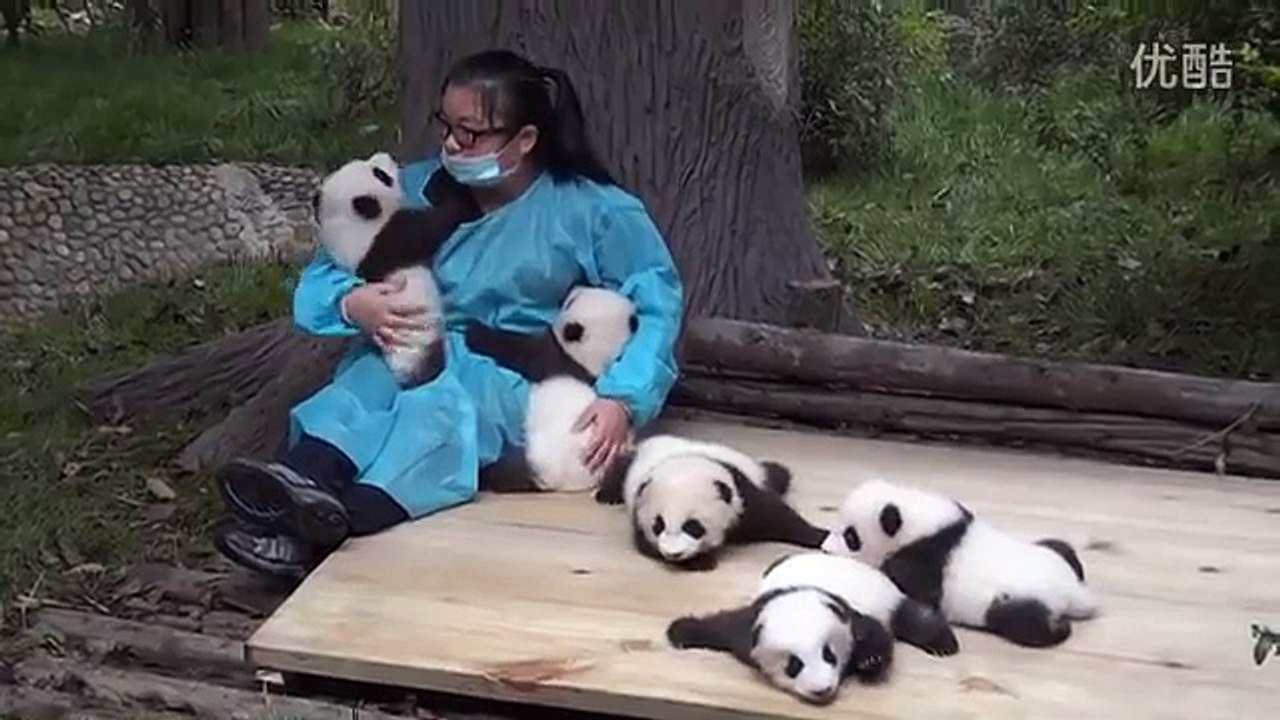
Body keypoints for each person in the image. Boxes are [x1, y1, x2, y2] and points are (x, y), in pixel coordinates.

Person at [211, 49, 684, 580]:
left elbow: (657, 299)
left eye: (471, 132)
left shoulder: (593, 210)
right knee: (363, 386)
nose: (452, 144)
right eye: (447, 126)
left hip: (507, 378)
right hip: (404, 350)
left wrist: (623, 396)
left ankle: (319, 527)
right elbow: (331, 265)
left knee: (431, 415)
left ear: (525, 140)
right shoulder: (408, 189)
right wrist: (352, 302)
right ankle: (292, 488)